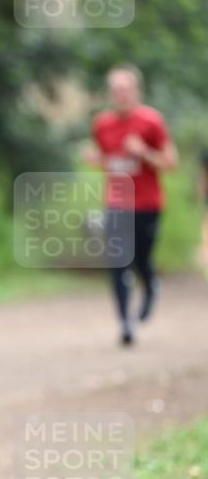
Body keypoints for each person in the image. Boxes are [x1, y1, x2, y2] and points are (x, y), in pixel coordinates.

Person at [87, 64, 176, 345]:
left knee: (140, 260)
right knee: (117, 261)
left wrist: (145, 152)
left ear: (136, 91)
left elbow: (171, 163)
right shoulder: (101, 124)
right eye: (115, 90)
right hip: (116, 203)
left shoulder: (152, 121)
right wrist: (96, 160)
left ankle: (151, 285)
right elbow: (107, 160)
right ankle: (125, 322)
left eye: (125, 89)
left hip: (148, 204)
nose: (120, 95)